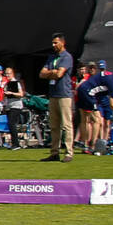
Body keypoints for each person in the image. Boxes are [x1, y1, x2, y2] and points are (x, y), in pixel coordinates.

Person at [40, 33, 75, 162]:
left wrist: (52, 73)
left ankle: (69, 152)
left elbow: (60, 74)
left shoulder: (66, 57)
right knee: (54, 125)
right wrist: (52, 73)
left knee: (66, 124)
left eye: (56, 42)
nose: (53, 45)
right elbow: (41, 74)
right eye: (53, 43)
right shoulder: (51, 57)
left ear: (62, 43)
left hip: (64, 94)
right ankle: (54, 152)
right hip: (53, 94)